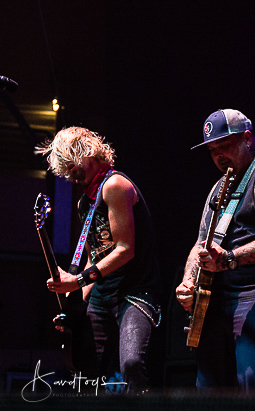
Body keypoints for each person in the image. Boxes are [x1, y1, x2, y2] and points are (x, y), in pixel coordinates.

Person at [176, 109, 255, 389]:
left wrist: (231, 259)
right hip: (214, 300)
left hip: (254, 293)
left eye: (224, 146)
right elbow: (200, 242)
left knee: (249, 383)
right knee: (210, 389)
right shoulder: (220, 186)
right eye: (212, 151)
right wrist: (187, 283)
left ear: (247, 138)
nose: (218, 156)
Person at [36, 126, 162, 394]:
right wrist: (76, 304)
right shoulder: (86, 202)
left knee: (131, 364)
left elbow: (125, 249)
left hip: (135, 292)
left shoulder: (116, 185)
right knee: (85, 370)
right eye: (64, 166)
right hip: (102, 294)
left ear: (88, 152)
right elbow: (95, 256)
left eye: (71, 161)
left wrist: (79, 279)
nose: (69, 171)